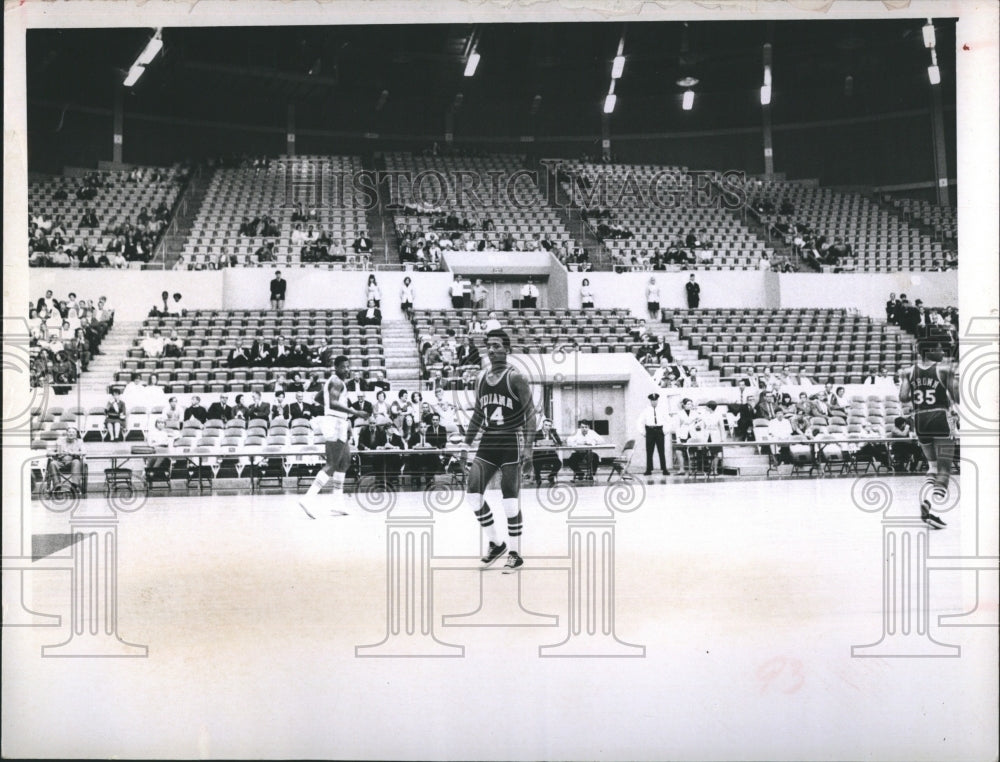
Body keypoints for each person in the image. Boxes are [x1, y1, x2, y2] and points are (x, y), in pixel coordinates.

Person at [460, 329, 536, 573]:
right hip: (488, 442)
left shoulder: (516, 378)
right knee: (473, 493)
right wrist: (466, 443)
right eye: (488, 346)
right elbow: (478, 415)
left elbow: (530, 414)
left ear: (507, 349)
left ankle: (515, 552)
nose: (491, 350)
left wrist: (529, 448)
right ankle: (496, 543)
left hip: (511, 442)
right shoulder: (481, 378)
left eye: (496, 345)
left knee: (510, 500)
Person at [299, 355, 371, 518]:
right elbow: (332, 402)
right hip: (335, 423)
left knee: (344, 462)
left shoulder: (333, 381)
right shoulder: (337, 381)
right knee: (332, 464)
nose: (348, 369)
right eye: (344, 366)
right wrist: (355, 412)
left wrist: (333, 410)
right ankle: (308, 499)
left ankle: (338, 503)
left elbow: (319, 398)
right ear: (336, 368)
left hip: (339, 422)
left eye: (348, 366)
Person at [898, 341, 959, 530]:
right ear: (929, 351)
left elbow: (903, 397)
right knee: (944, 469)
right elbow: (957, 396)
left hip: (920, 420)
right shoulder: (944, 370)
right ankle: (934, 508)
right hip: (940, 416)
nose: (942, 351)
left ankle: (925, 500)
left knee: (932, 466)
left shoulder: (908, 372)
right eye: (939, 348)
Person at [637, 392, 670, 476]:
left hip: (659, 431)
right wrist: (643, 433)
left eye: (656, 400)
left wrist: (665, 431)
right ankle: (648, 469)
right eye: (652, 400)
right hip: (650, 431)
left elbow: (668, 421)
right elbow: (640, 422)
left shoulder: (662, 410)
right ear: (650, 401)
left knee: (661, 451)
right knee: (649, 451)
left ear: (658, 401)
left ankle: (664, 469)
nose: (654, 402)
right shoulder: (646, 410)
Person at [47, 426, 85, 492]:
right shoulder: (59, 441)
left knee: (76, 461)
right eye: (69, 432)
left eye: (73, 432)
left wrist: (73, 453)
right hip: (60, 462)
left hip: (72, 463)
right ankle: (57, 485)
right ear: (66, 433)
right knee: (53, 463)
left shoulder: (79, 442)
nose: (71, 434)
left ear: (76, 434)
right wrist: (57, 453)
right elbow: (48, 453)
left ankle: (74, 485)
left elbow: (84, 452)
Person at [531, 418, 563, 485]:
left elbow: (559, 442)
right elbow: (535, 444)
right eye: (546, 425)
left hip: (550, 454)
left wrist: (554, 441)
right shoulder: (537, 433)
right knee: (536, 462)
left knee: (559, 464)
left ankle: (551, 476)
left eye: (549, 425)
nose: (547, 427)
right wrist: (550, 443)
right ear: (543, 425)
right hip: (539, 454)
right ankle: (538, 477)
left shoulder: (553, 432)